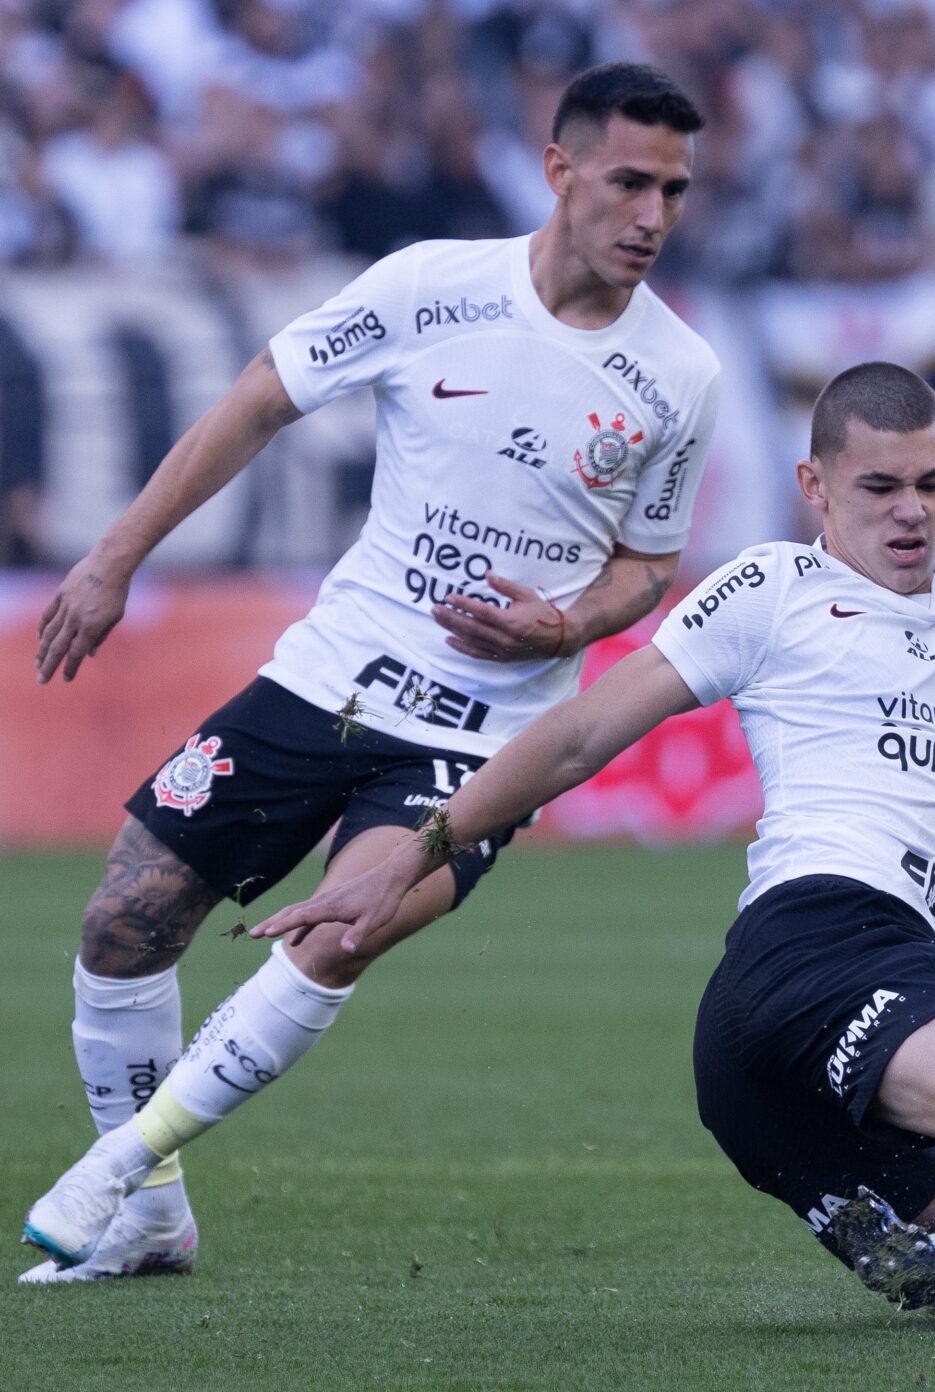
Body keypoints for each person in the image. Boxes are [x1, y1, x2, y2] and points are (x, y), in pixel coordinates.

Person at [71, 205, 935, 1324]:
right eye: (881, 488)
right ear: (815, 488)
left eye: (933, 487)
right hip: (821, 946)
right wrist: (421, 852)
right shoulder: (768, 587)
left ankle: (880, 1239)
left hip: (769, 1072)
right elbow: (588, 728)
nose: (910, 515)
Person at [21, 63, 724, 1282]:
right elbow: (259, 399)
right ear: (559, 171)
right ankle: (152, 1216)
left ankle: (121, 1164)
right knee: (122, 925)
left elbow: (645, 569)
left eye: (674, 189)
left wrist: (565, 629)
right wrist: (113, 558)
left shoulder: (682, 376)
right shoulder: (428, 286)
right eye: (628, 182)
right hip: (327, 678)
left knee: (344, 928)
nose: (652, 216)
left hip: (485, 735)